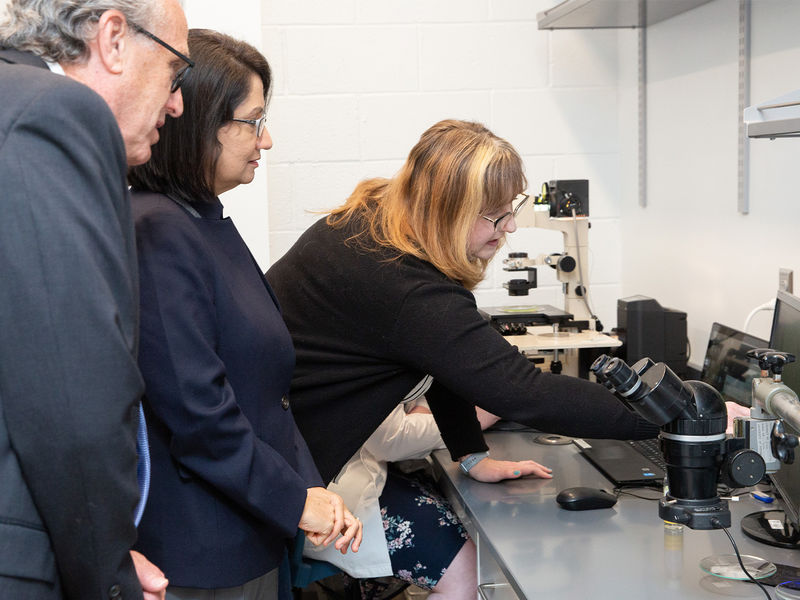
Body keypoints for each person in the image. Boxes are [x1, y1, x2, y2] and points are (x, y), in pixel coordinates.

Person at [266, 119, 659, 593]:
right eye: (494, 215)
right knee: (465, 572)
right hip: (307, 479)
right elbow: (524, 392)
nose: (510, 226)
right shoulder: (404, 285)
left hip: (298, 451)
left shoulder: (378, 216)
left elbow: (439, 360)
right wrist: (668, 419)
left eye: (510, 207)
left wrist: (471, 454)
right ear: (445, 210)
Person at [126, 29, 362, 600]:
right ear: (200, 123)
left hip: (248, 526)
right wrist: (294, 497)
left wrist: (307, 491)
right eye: (252, 122)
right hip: (202, 550)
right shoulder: (159, 230)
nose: (267, 139)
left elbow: (266, 394)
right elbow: (197, 411)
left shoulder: (202, 220)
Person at [0, 1, 188, 598]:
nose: (177, 102)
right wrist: (107, 576)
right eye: (174, 71)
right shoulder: (54, 112)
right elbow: (69, 386)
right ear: (112, 38)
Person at [304, 400, 503, 599]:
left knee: (463, 527)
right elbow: (390, 440)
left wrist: (423, 408)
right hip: (333, 495)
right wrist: (468, 424)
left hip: (365, 471)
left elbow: (419, 393)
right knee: (468, 576)